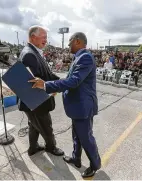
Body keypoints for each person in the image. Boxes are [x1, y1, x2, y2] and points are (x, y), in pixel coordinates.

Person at [30, 32, 101, 178]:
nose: (68, 46)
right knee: (77, 135)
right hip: (77, 107)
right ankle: (76, 158)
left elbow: (73, 81)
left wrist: (46, 85)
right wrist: (54, 87)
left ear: (78, 42)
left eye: (69, 43)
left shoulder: (85, 58)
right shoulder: (78, 58)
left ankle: (95, 165)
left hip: (83, 107)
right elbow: (69, 80)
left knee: (86, 137)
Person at [18, 25, 64, 157]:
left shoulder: (33, 51)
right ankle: (51, 147)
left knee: (34, 125)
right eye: (43, 37)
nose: (46, 40)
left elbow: (46, 73)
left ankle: (33, 148)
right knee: (46, 126)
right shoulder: (29, 54)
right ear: (33, 37)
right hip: (36, 102)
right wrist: (51, 88)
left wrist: (58, 83)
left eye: (46, 37)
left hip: (33, 103)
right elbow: (35, 82)